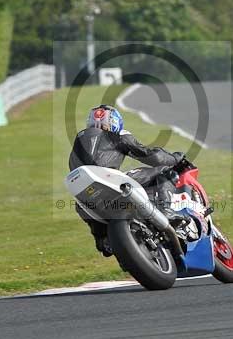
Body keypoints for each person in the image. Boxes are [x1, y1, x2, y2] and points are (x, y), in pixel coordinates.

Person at [68, 104, 182, 256]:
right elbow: (152, 157)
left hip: (84, 195)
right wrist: (174, 158)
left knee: (81, 205)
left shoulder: (79, 140)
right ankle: (166, 210)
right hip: (110, 181)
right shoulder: (117, 135)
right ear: (115, 121)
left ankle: (103, 240)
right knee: (163, 172)